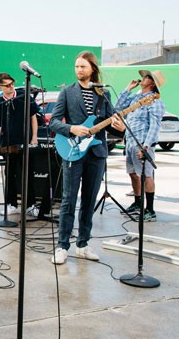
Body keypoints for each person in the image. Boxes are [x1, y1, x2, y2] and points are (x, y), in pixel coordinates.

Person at [49, 51, 125, 265]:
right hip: (73, 151)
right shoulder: (67, 92)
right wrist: (72, 128)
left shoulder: (103, 93)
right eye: (76, 66)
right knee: (68, 200)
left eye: (83, 66)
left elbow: (109, 124)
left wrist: (119, 128)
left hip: (97, 153)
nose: (79, 70)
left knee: (89, 200)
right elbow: (54, 122)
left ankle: (82, 244)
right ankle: (62, 246)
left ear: (93, 68)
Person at [0, 72, 39, 217]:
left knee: (28, 174)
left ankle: (30, 205)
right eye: (7, 85)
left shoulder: (24, 97)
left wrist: (34, 137)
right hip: (8, 144)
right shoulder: (0, 104)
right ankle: (11, 204)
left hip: (25, 142)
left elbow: (33, 118)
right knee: (10, 175)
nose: (11, 87)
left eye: (12, 83)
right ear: (0, 87)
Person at [116, 70, 166, 222]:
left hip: (142, 144)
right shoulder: (136, 97)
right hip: (130, 142)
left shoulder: (155, 102)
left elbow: (155, 126)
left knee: (146, 175)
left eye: (147, 77)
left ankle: (150, 210)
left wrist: (146, 146)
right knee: (133, 173)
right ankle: (138, 203)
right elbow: (118, 107)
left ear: (152, 84)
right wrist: (128, 88)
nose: (143, 78)